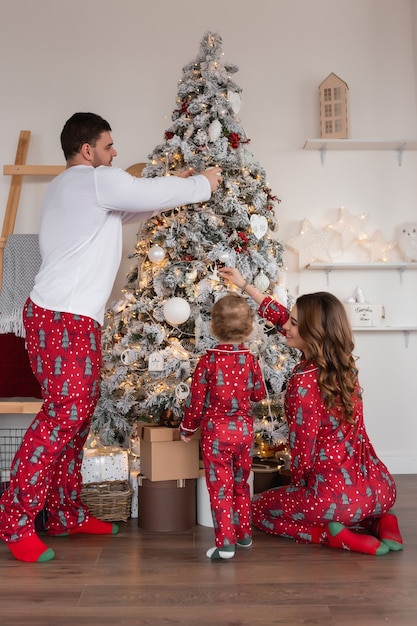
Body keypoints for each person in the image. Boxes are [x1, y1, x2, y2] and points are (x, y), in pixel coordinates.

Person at [0, 112, 222, 563]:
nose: (115, 152)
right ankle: (15, 521)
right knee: (63, 417)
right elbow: (138, 192)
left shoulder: (79, 188)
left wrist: (175, 185)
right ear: (88, 151)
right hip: (62, 318)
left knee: (77, 418)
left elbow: (134, 206)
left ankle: (63, 513)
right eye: (108, 145)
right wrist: (204, 183)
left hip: (67, 318)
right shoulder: (93, 179)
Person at [217, 267, 403, 556]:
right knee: (355, 507)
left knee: (255, 511)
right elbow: (281, 317)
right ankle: (385, 524)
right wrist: (244, 285)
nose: (285, 327)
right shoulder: (343, 365)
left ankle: (331, 538)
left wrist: (300, 490)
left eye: (293, 323)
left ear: (312, 332)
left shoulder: (304, 383)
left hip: (332, 498)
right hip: (379, 489)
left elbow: (303, 448)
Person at [180, 293, 267, 560]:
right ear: (250, 328)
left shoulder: (208, 361)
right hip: (243, 432)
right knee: (241, 485)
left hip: (217, 434)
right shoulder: (250, 360)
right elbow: (258, 394)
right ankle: (244, 535)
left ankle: (225, 544)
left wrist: (187, 428)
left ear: (213, 327)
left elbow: (196, 401)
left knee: (220, 489)